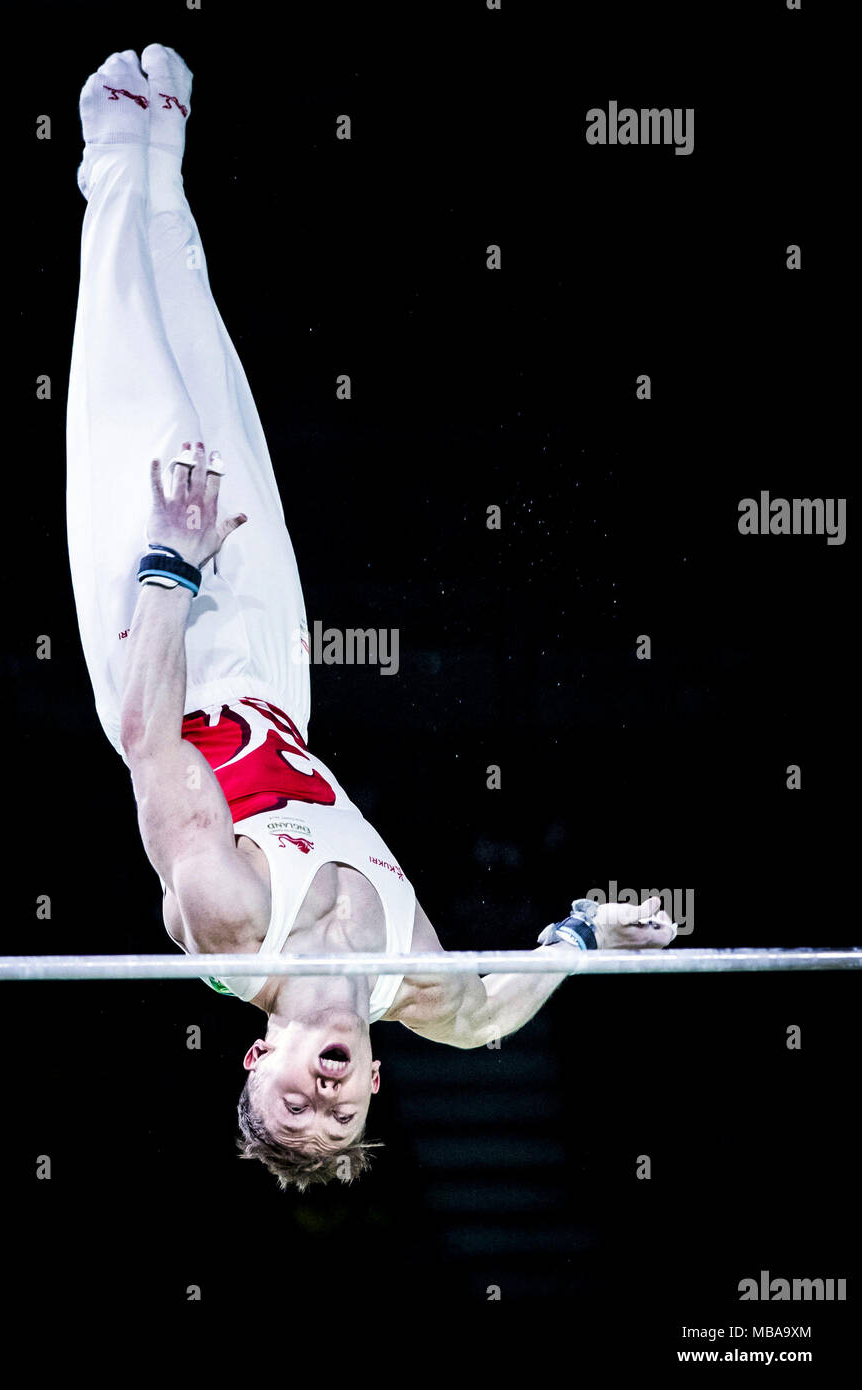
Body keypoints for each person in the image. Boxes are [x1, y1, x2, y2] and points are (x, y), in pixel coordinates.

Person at [67, 45, 676, 1191]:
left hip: (162, 649)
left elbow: (149, 740)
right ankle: (165, 153)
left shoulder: (229, 924)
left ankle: (112, 150)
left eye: (289, 1099)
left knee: (135, 381)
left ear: (260, 1052)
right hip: (273, 679)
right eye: (335, 1117)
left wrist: (167, 558)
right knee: (212, 363)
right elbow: (499, 1009)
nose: (323, 1096)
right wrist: (591, 933)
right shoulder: (423, 992)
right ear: (374, 1089)